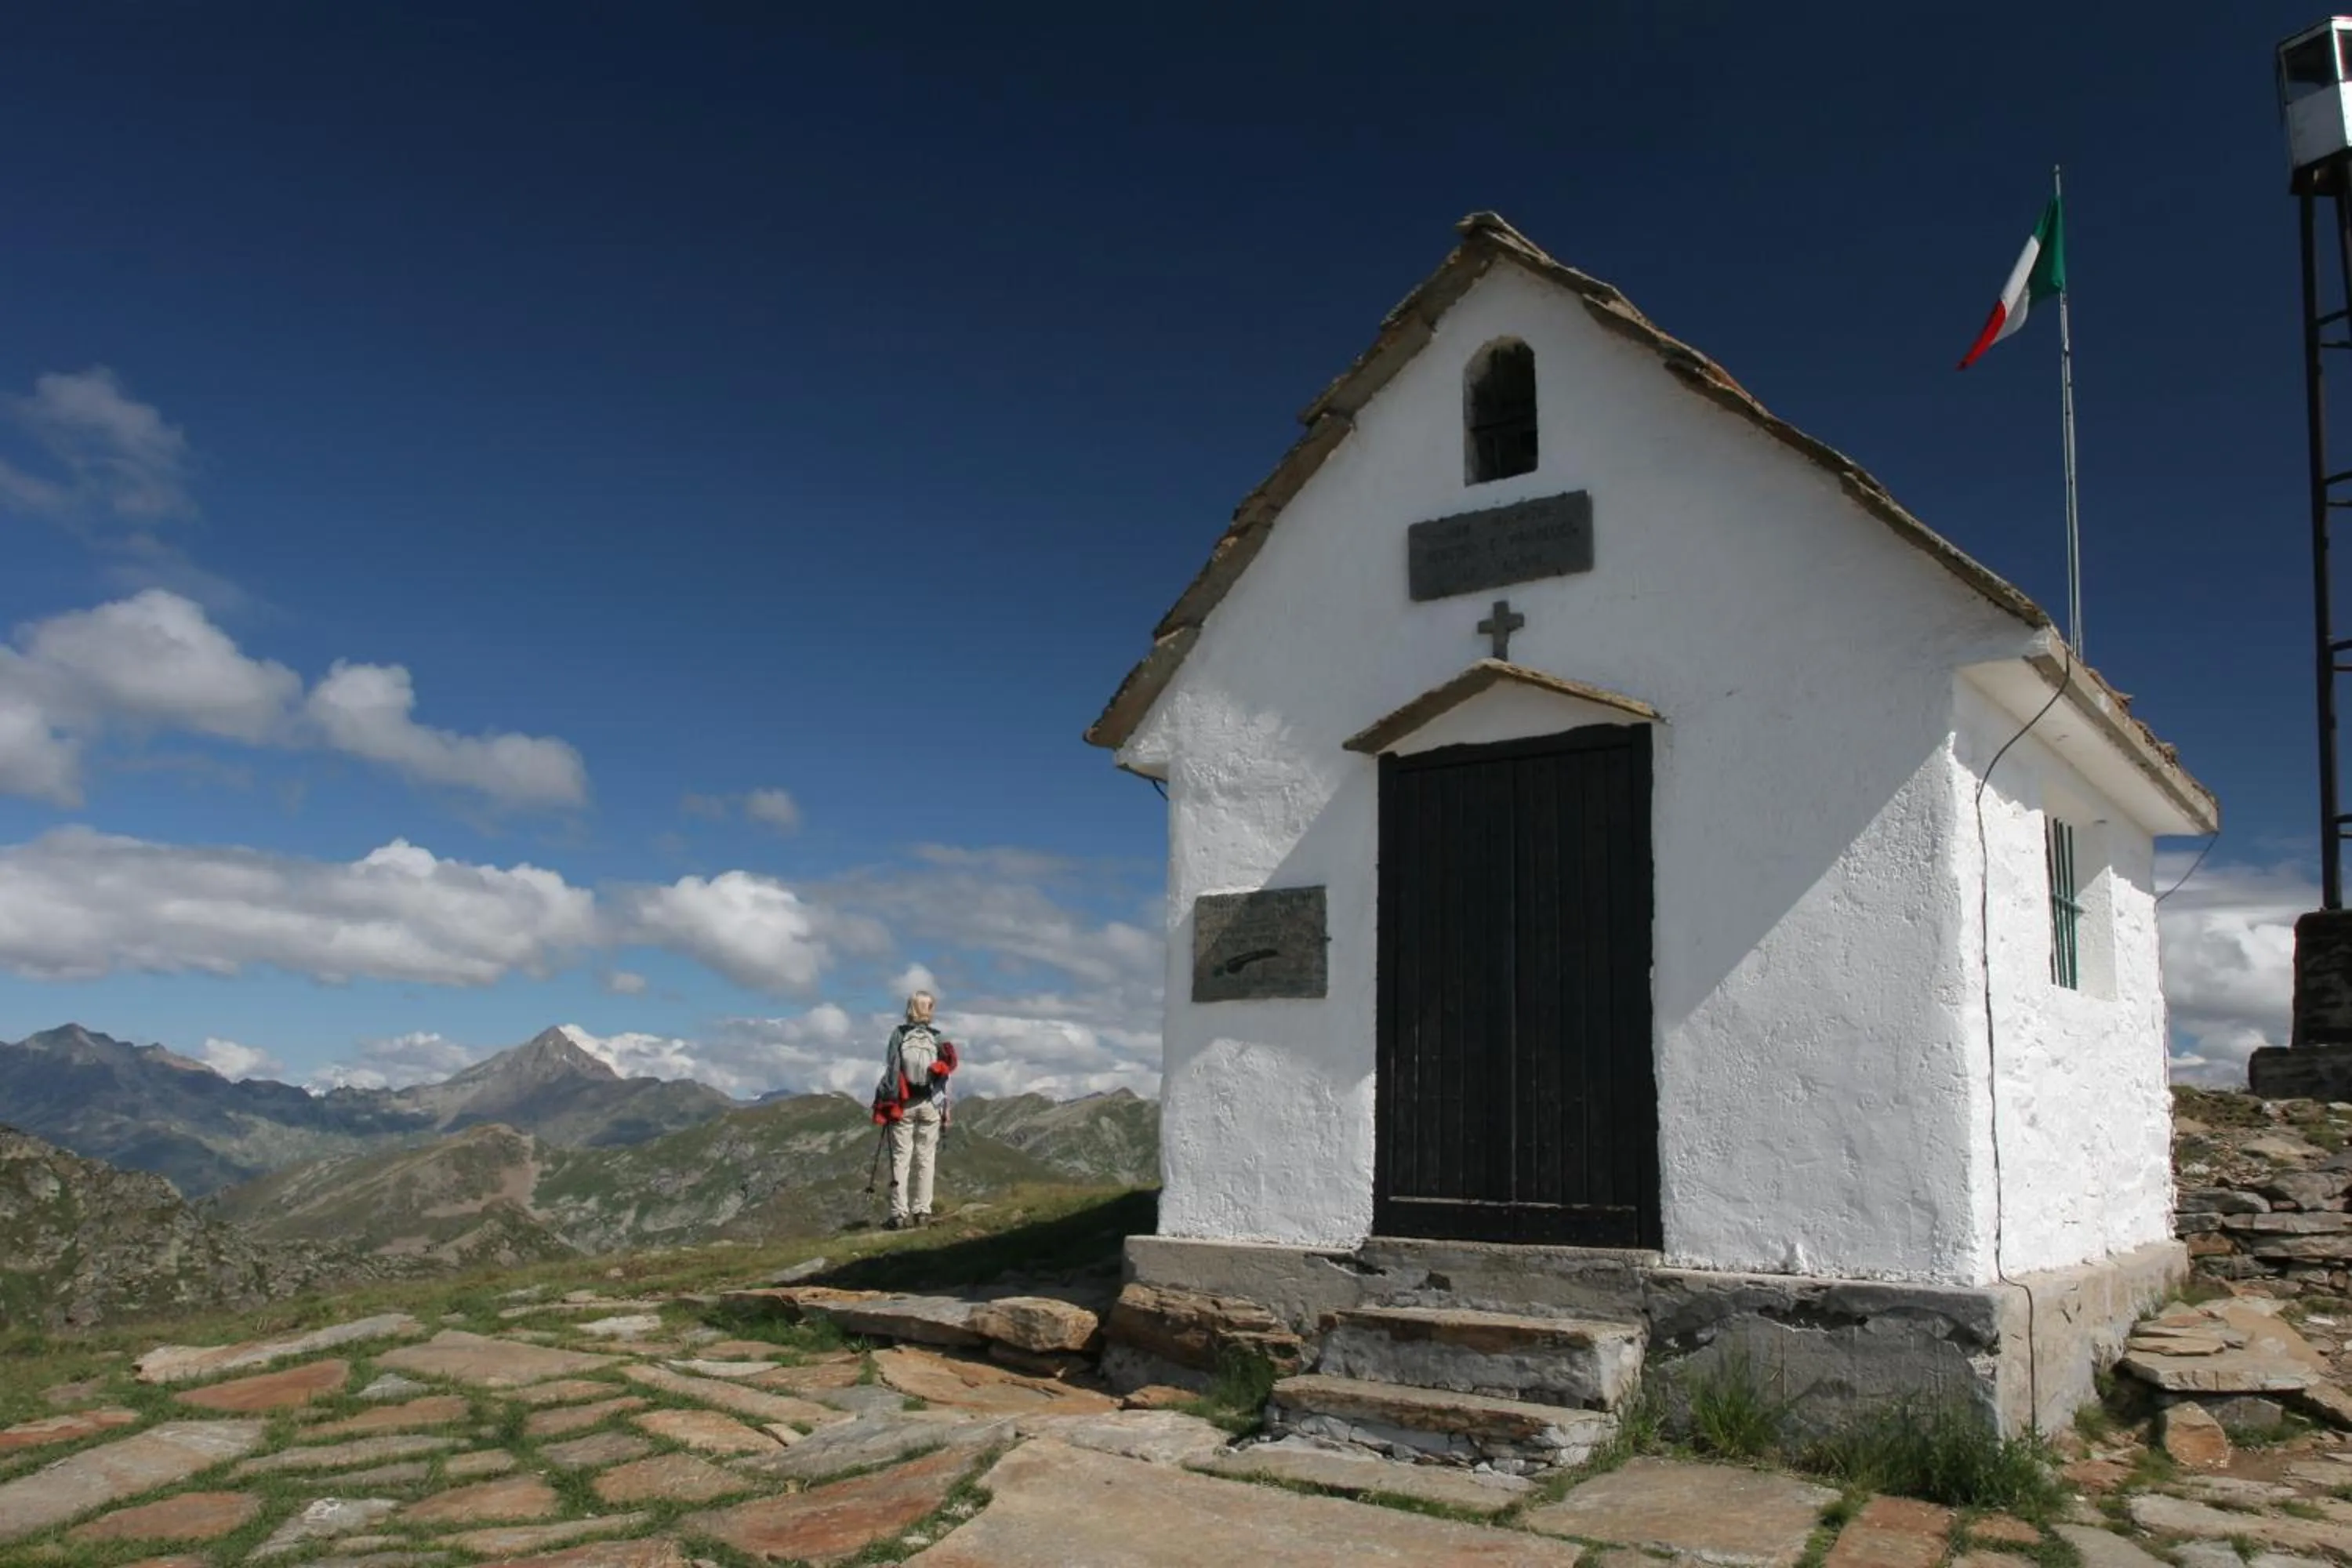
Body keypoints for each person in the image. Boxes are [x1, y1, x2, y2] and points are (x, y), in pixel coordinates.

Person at [873, 989, 955, 1229]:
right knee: (925, 1158)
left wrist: (886, 1101)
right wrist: (945, 1108)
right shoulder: (938, 1037)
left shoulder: (898, 1034)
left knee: (901, 1158)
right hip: (930, 1103)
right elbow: (945, 1076)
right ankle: (922, 1212)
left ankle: (899, 1214)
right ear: (930, 1009)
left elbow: (891, 1069)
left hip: (904, 1103)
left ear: (910, 1008)